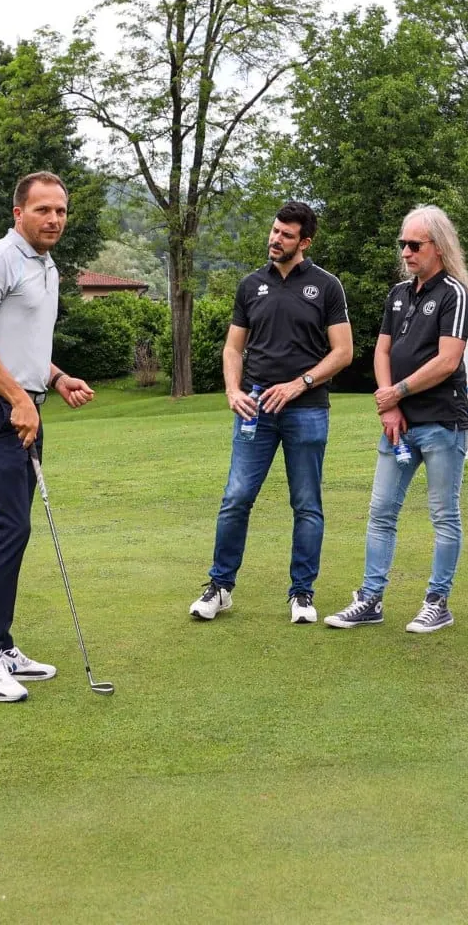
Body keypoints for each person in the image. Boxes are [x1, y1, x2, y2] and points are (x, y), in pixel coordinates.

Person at [0, 172, 96, 703]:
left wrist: (55, 378)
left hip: (20, 409)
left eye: (61, 210)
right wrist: (17, 398)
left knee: (16, 528)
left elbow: (19, 344)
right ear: (18, 213)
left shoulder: (45, 265)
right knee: (8, 527)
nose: (54, 219)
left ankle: (1, 645)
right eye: (42, 210)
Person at [189, 201, 353, 625]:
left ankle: (302, 593)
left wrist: (301, 383)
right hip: (255, 409)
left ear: (305, 242)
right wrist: (232, 390)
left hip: (307, 410)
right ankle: (220, 587)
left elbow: (343, 351)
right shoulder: (250, 285)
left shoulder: (326, 286)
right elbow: (233, 348)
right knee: (236, 498)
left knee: (307, 504)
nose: (276, 239)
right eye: (275, 230)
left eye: (286, 235)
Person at [325, 206, 468, 633]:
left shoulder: (455, 293)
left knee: (443, 514)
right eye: (403, 244)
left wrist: (398, 392)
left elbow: (448, 360)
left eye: (414, 245)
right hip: (399, 425)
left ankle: (437, 602)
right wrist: (389, 404)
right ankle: (370, 599)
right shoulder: (398, 293)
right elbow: (383, 350)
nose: (406, 252)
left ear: (438, 246)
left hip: (442, 422)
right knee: (381, 511)